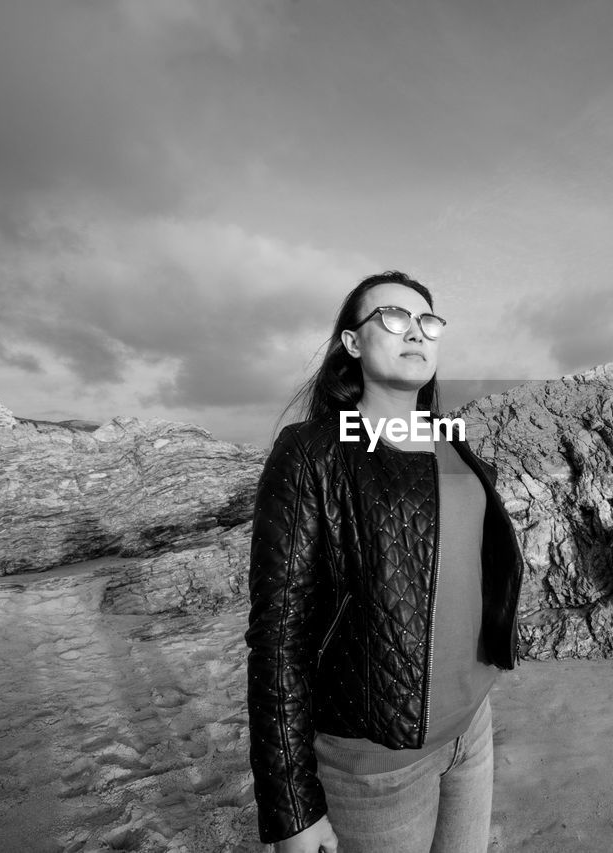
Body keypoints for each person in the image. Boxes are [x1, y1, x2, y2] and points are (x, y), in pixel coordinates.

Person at [246, 270, 526, 853]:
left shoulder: (455, 443)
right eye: (393, 317)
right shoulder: (312, 452)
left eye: (427, 321)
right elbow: (278, 638)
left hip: (471, 729)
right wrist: (292, 808)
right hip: (374, 762)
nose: (416, 332)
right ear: (352, 343)